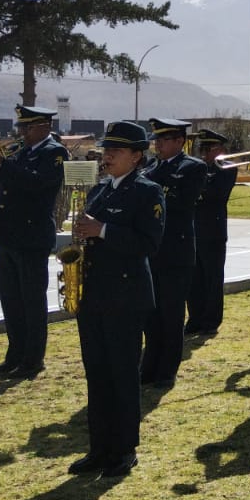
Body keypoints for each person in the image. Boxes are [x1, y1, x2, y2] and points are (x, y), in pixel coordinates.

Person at [68, 121, 165, 477]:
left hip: (126, 297)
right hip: (93, 296)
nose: (107, 156)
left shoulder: (148, 192)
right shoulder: (99, 192)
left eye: (116, 151)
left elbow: (148, 243)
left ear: (137, 156)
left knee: (122, 375)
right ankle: (98, 448)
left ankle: (123, 450)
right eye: (106, 150)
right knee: (97, 374)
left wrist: (103, 230)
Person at [0, 104, 68, 379]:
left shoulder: (54, 152)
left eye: (28, 127)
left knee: (31, 300)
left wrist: (1, 163)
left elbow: (37, 184)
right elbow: (5, 182)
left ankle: (33, 358)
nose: (22, 132)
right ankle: (14, 354)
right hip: (9, 235)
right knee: (11, 299)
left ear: (45, 127)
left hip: (31, 235)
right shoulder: (21, 151)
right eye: (21, 127)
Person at [139, 118, 205, 389]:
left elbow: (180, 203)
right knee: (150, 315)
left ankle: (167, 370)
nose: (159, 145)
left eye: (165, 140)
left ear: (180, 141)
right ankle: (149, 365)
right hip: (151, 250)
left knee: (171, 314)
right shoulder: (150, 168)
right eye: (157, 140)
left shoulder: (193, 167)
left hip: (175, 251)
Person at [185, 127, 238, 337]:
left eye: (209, 148)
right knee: (194, 279)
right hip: (193, 229)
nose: (204, 152)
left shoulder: (227, 167)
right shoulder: (197, 168)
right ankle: (195, 318)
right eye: (202, 148)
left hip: (213, 231)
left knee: (212, 278)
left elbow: (216, 193)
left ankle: (211, 321)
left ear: (221, 148)